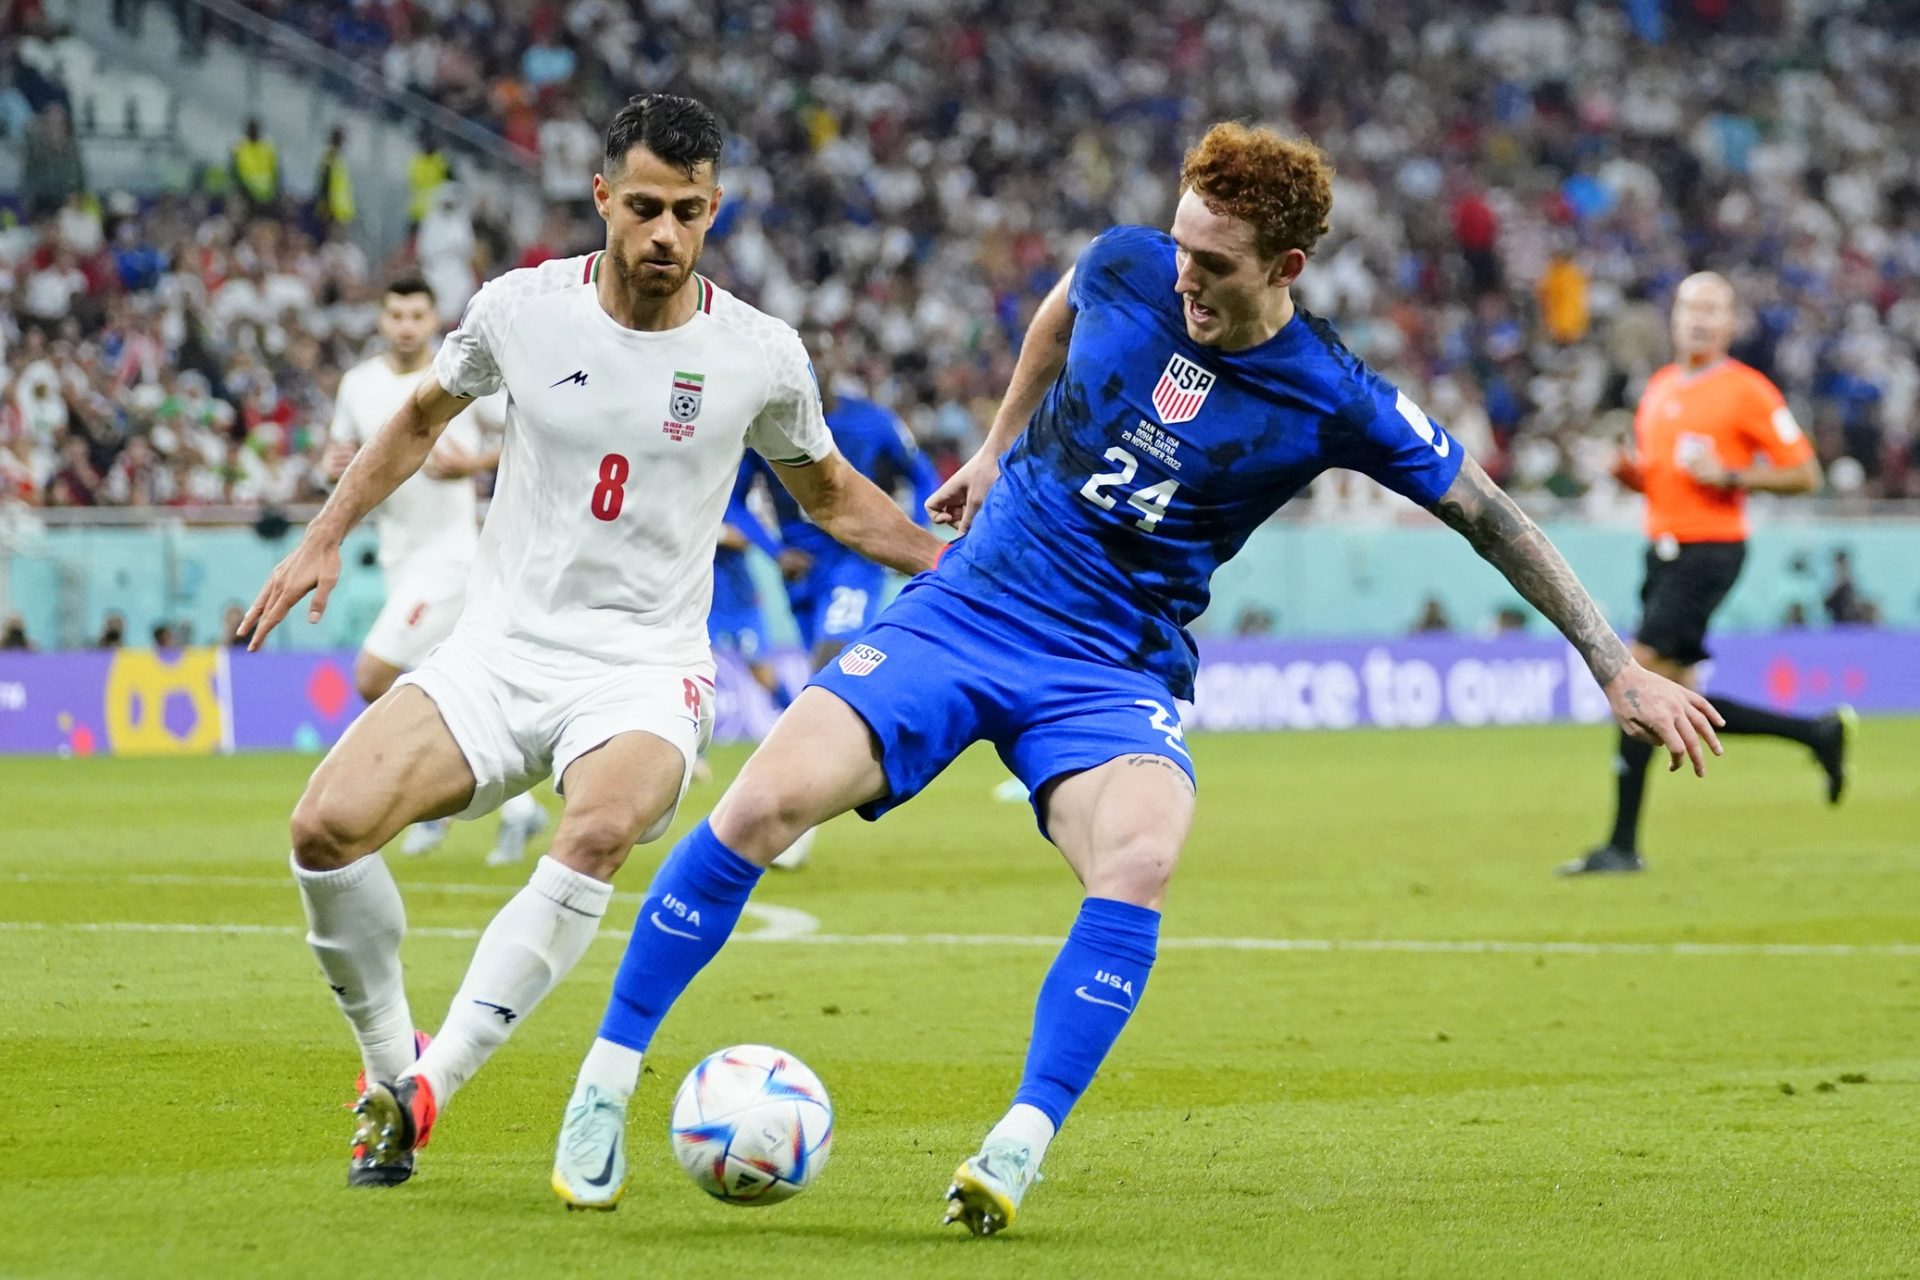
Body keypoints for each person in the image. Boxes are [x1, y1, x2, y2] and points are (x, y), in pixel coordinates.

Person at [550, 122, 1722, 1232]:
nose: (1183, 277)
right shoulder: (1130, 262)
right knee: (760, 802)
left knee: (1142, 857)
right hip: (973, 605)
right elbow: (1059, 311)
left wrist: (1615, 664)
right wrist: (996, 446)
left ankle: (1018, 1141)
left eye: (1213, 264)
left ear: (1287, 267)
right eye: (1179, 246)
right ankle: (603, 1079)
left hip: (1111, 665)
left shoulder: (1337, 394)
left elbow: (1489, 514)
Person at [237, 93, 942, 1191]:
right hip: (497, 652)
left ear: (715, 211)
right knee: (323, 830)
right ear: (603, 196)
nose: (666, 233)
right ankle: (389, 1069)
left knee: (601, 827)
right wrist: (325, 534)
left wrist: (953, 563)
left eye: (690, 213)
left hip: (645, 671)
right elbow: (419, 419)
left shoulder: (759, 353)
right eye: (646, 207)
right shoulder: (521, 310)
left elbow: (834, 497)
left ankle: (434, 1085)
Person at [1564, 272, 1850, 876]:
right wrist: (1627, 475)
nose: (1699, 318)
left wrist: (1732, 476)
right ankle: (1816, 733)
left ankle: (1621, 846)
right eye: (1690, 307)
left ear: (1730, 323)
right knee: (1671, 693)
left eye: (1712, 309)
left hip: (1709, 550)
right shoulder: (1660, 388)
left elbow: (1805, 473)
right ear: (1674, 318)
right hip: (1662, 550)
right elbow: (1662, 480)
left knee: (1637, 678)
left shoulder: (1747, 391)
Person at [324, 274, 542, 868]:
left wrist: (474, 463)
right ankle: (517, 811)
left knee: (373, 676)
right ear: (381, 320)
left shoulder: (457, 372)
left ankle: (426, 804)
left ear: (432, 320)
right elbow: (340, 457)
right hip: (398, 557)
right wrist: (330, 466)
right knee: (450, 693)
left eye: (416, 316)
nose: (405, 327)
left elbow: (530, 430)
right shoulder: (357, 385)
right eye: (395, 315)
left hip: (450, 559)